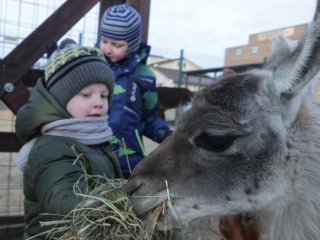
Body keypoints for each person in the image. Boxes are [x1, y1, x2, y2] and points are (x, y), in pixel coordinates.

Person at [14, 42, 121, 239]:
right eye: (86, 95)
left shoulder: (96, 138)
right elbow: (65, 198)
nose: (98, 102)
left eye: (104, 95)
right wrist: (118, 214)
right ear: (60, 99)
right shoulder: (51, 147)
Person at [99, 3, 172, 178]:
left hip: (129, 158)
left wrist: (167, 135)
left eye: (116, 44)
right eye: (104, 41)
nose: (108, 49)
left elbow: (148, 117)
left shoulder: (144, 76)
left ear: (131, 45)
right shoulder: (93, 66)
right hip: (95, 155)